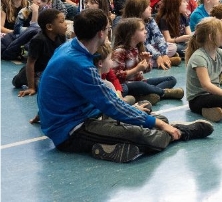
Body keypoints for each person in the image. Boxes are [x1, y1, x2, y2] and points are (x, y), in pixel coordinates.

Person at [38, 9, 213, 163]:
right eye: (107, 29)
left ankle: (113, 146)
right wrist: (157, 123)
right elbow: (111, 104)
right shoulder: (79, 64)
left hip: (86, 114)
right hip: (70, 131)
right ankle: (180, 132)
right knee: (148, 137)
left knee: (153, 120)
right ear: (101, 33)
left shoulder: (71, 46)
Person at [112, 18, 184, 105]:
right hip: (128, 85)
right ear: (131, 34)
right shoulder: (120, 51)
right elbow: (116, 76)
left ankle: (148, 94)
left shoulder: (136, 48)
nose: (146, 31)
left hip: (142, 81)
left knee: (171, 79)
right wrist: (136, 69)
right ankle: (163, 93)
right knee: (141, 85)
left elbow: (145, 71)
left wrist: (146, 62)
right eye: (142, 30)